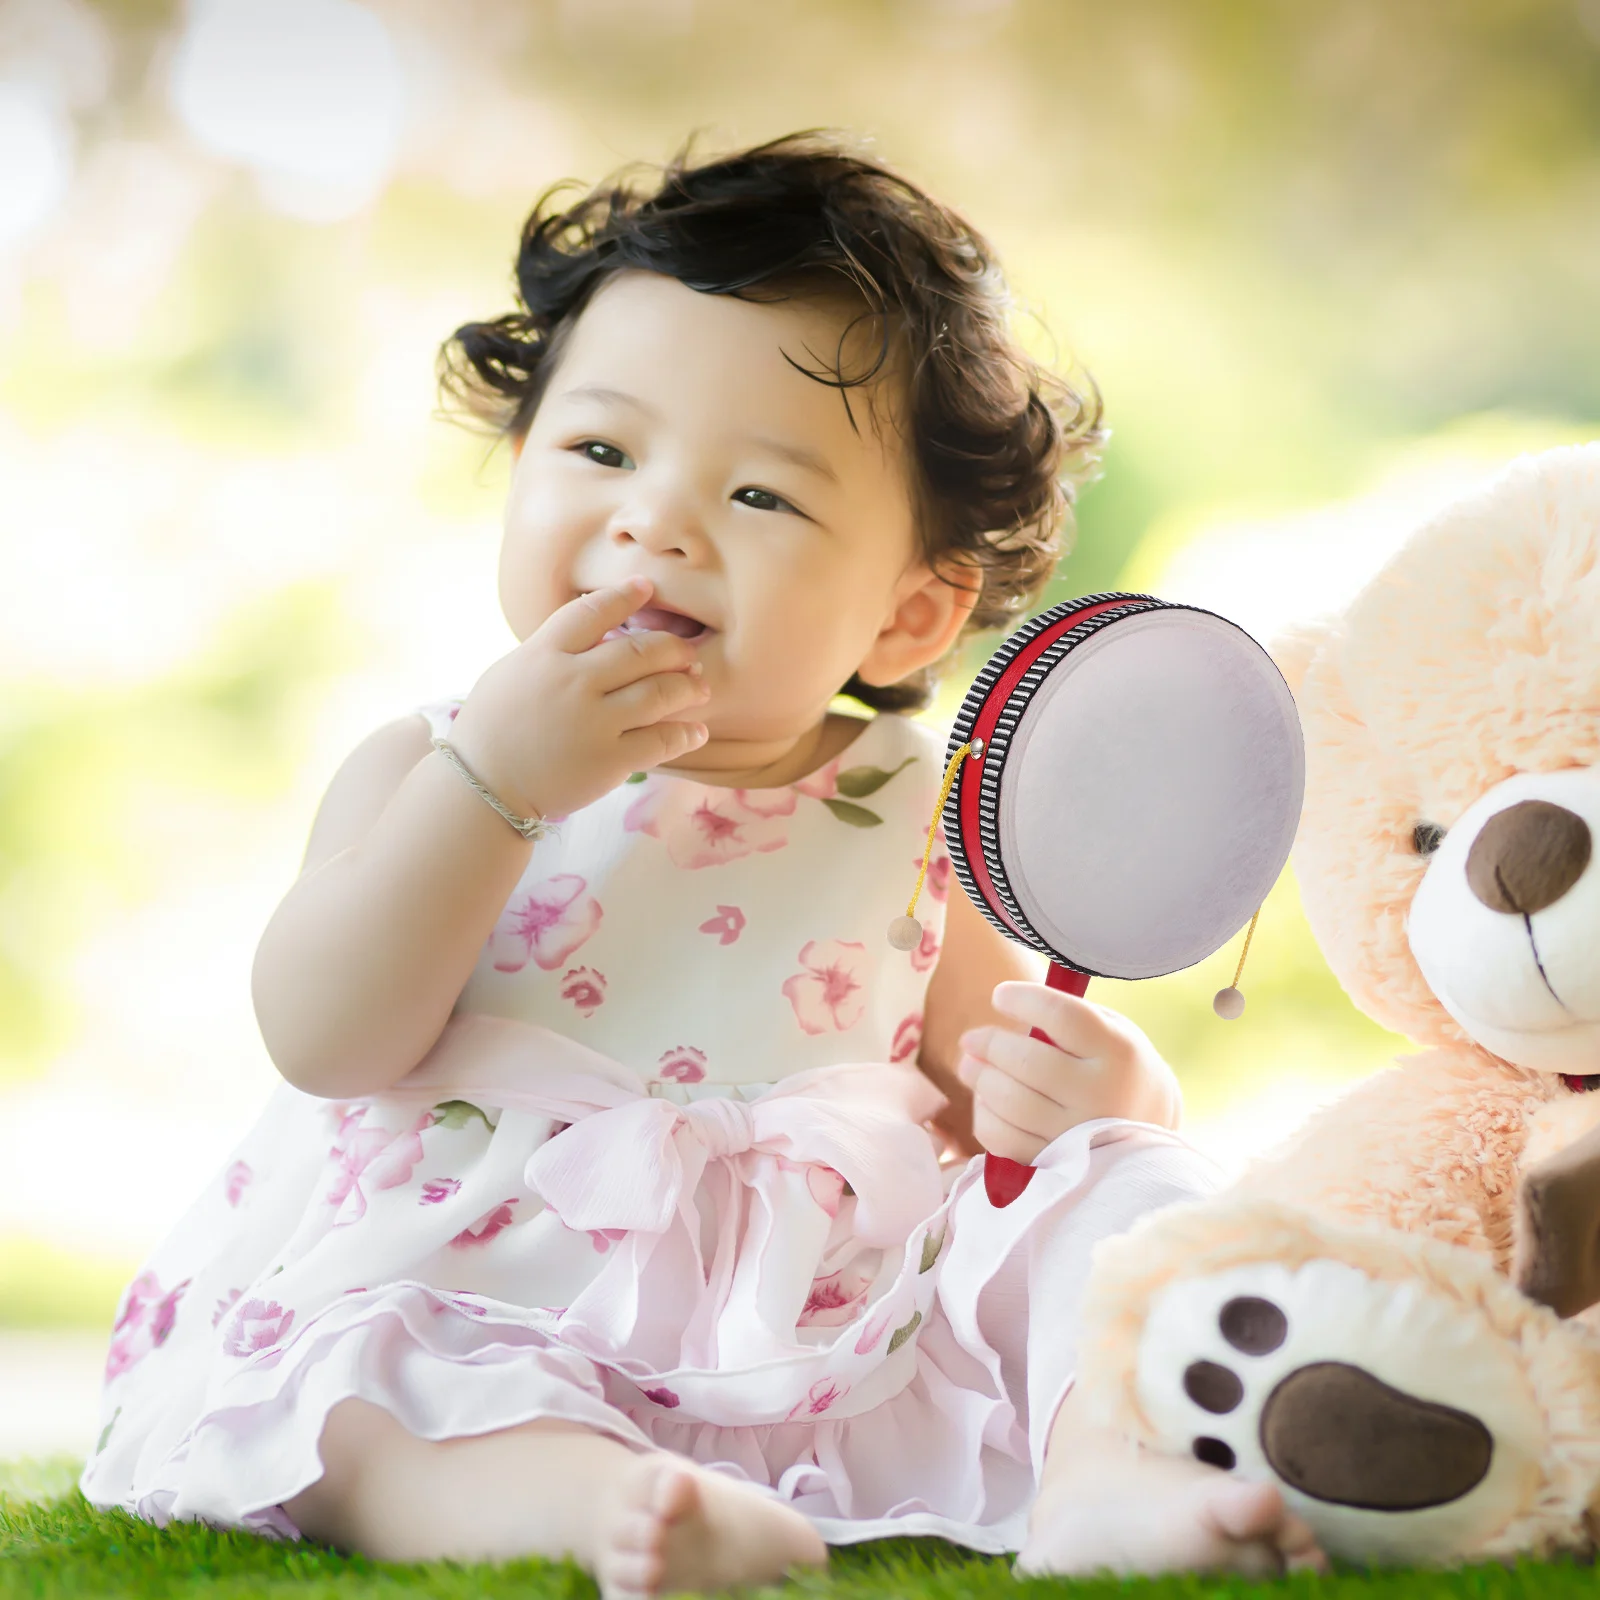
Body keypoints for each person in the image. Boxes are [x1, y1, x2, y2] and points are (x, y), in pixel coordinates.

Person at [79, 133, 1322, 1597]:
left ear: (911, 620)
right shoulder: (433, 768)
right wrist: (499, 788)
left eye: (761, 499)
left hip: (825, 1320)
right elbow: (326, 1041)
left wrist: (1104, 1098)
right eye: (601, 451)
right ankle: (613, 1506)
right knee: (357, 1389)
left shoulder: (926, 812)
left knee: (1119, 1197)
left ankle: (1106, 1485)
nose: (652, 520)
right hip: (497, 1294)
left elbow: (1004, 1110)